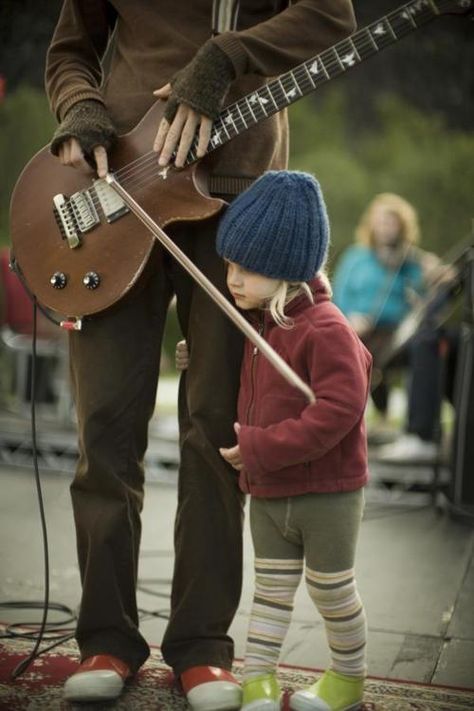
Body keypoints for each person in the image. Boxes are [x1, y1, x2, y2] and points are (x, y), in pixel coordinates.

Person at [44, 1, 357, 707]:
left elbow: (331, 15)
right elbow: (70, 53)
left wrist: (227, 57)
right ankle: (104, 636)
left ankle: (202, 645)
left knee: (219, 427)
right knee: (103, 425)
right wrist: (82, 110)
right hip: (112, 193)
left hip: (236, 200)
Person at [178, 171, 372, 711]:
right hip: (270, 494)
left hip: (326, 494)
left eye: (246, 269)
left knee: (332, 594)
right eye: (230, 264)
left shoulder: (327, 328)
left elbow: (339, 410)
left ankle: (348, 681)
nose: (231, 278)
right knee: (271, 594)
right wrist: (196, 361)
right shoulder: (262, 324)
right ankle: (260, 678)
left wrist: (262, 449)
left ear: (287, 269)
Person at [332, 192, 456, 461]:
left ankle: (418, 430)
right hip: (357, 328)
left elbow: (430, 299)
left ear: (402, 227)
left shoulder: (410, 262)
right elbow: (338, 293)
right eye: (382, 222)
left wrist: (438, 275)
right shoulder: (356, 257)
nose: (387, 228)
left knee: (424, 346)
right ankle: (347, 425)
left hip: (395, 333)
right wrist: (349, 317)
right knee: (350, 352)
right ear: (371, 225)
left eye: (393, 223)